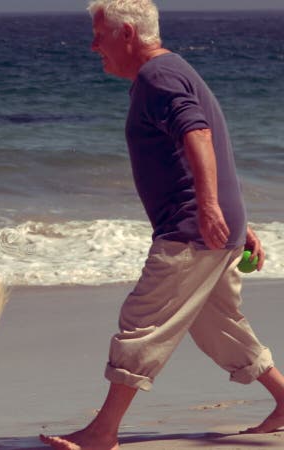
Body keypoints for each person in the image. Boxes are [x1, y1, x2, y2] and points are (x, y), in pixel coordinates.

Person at [40, 1, 284, 449]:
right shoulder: (168, 72)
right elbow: (212, 141)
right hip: (211, 226)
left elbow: (200, 135)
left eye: (100, 35)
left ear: (128, 33)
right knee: (219, 326)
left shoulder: (159, 76)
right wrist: (234, 218)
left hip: (191, 229)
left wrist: (210, 207)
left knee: (142, 322)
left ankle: (103, 432)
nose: (94, 45)